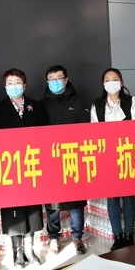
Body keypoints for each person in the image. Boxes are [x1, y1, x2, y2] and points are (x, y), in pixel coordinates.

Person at [0, 68, 45, 268]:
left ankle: (30, 250)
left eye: (17, 82)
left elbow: (44, 132)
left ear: (24, 85)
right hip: (9, 165)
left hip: (31, 164)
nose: (14, 86)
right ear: (5, 86)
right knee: (14, 209)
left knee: (32, 208)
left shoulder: (34, 106)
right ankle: (17, 253)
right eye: (10, 83)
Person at [40, 65, 90, 255]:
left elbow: (85, 128)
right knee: (52, 201)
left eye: (59, 78)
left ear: (66, 80)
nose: (55, 82)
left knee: (76, 200)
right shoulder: (41, 105)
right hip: (50, 159)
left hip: (73, 157)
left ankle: (77, 237)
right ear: (47, 81)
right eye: (51, 79)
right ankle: (53, 238)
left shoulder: (79, 101)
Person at [90, 68, 135, 251]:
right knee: (112, 198)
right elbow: (94, 132)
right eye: (107, 79)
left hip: (127, 154)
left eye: (115, 79)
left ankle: (129, 234)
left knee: (128, 196)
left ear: (121, 82)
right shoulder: (97, 105)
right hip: (107, 156)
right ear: (103, 83)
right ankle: (117, 235)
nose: (111, 82)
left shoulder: (130, 101)